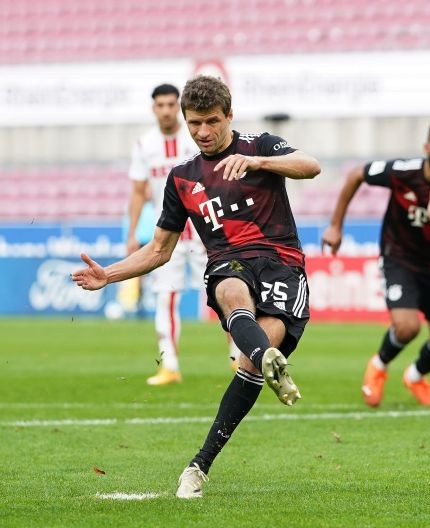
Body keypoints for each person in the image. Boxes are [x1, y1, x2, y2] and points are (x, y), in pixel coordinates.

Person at [72, 75, 321, 498]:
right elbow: (159, 250)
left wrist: (259, 162)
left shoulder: (260, 145)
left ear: (229, 116)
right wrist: (108, 275)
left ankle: (201, 461)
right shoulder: (182, 177)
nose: (203, 132)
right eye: (194, 124)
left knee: (249, 365)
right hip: (229, 261)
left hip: (282, 263)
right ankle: (265, 364)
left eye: (211, 122)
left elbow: (310, 166)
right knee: (229, 290)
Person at [322, 120, 430, 407]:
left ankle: (415, 376)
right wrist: (335, 226)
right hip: (399, 259)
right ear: (427, 148)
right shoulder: (404, 172)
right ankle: (378, 366)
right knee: (407, 328)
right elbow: (356, 174)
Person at [127, 83, 240, 385]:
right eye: (159, 105)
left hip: (206, 232)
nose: (165, 110)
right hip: (168, 236)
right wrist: (131, 233)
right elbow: (139, 191)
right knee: (166, 297)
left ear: (178, 106)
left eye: (170, 104)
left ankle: (240, 357)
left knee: (227, 292)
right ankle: (170, 365)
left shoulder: (197, 137)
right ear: (153, 108)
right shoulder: (144, 144)